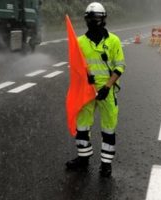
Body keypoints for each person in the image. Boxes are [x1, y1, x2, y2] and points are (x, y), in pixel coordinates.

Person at [66, 2, 126, 177]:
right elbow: (76, 68)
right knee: (82, 126)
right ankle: (83, 159)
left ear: (103, 19)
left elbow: (120, 67)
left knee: (108, 128)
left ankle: (106, 164)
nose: (93, 21)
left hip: (107, 91)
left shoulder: (113, 40)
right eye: (90, 18)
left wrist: (107, 87)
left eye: (97, 18)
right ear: (86, 20)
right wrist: (85, 78)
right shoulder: (79, 43)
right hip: (87, 92)